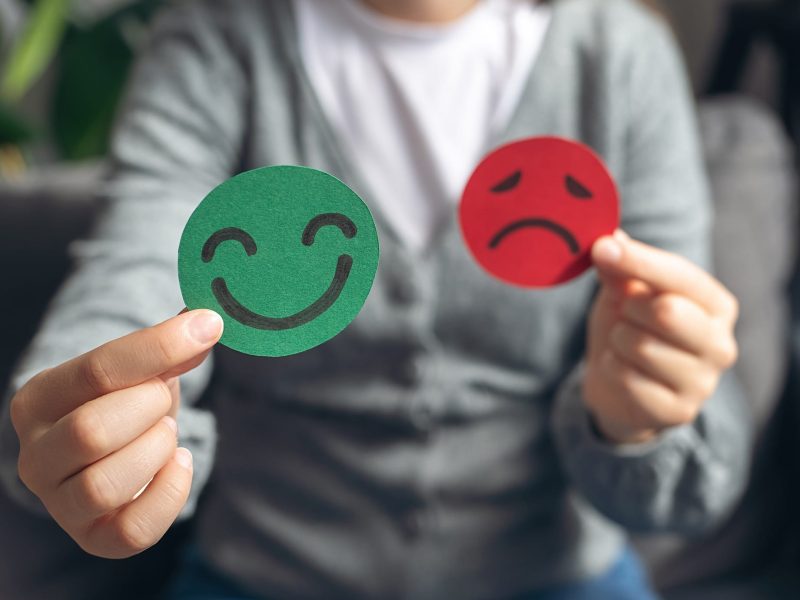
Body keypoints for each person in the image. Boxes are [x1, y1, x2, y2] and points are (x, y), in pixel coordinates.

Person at [0, 0, 750, 598]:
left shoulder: (620, 55)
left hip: (554, 573)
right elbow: (136, 267)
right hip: (263, 573)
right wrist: (87, 406)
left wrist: (638, 416)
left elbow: (696, 449)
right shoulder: (215, 41)